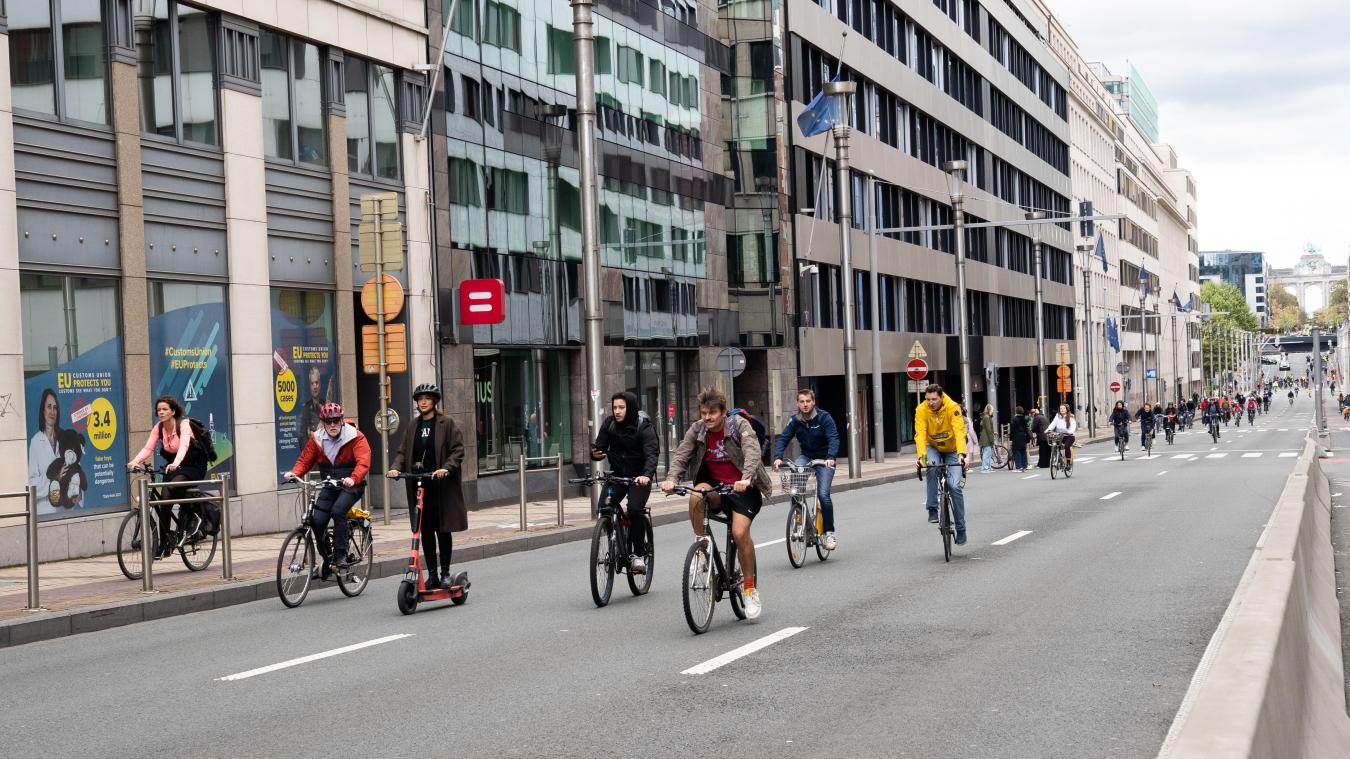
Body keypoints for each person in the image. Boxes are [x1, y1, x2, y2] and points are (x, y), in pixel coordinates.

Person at [663, 387, 771, 620]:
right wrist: (672, 479)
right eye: (703, 413)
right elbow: (682, 454)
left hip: (743, 487)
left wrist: (746, 477)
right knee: (696, 495)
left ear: (723, 412)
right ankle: (702, 547)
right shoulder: (698, 429)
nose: (707, 418)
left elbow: (752, 452)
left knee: (740, 533)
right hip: (715, 487)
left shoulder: (739, 425)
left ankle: (750, 589)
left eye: (712, 413)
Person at [388, 384, 468, 589]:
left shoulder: (446, 423)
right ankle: (432, 574)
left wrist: (445, 468)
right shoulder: (413, 425)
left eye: (427, 398)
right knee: (425, 530)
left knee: (442, 530)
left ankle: (445, 573)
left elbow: (457, 450)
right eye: (420, 399)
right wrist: (395, 468)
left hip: (440, 486)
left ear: (434, 401)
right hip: (420, 485)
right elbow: (403, 452)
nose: (423, 402)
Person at [285, 402, 370, 571]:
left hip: (351, 485)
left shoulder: (355, 436)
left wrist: (353, 479)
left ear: (342, 420)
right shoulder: (316, 438)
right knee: (317, 521)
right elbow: (305, 460)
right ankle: (328, 558)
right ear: (323, 422)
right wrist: (294, 473)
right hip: (330, 485)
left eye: (336, 421)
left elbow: (363, 461)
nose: (332, 425)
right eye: (328, 421)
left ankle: (340, 556)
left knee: (338, 511)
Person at [128, 396, 210, 558]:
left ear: (173, 411)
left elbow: (184, 445)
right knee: (164, 502)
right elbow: (148, 447)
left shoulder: (183, 425)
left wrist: (177, 462)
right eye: (159, 410)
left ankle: (194, 516)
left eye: (165, 409)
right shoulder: (159, 428)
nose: (161, 412)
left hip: (193, 464)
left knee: (173, 486)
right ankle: (164, 544)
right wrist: (135, 461)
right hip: (174, 466)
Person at [590, 390, 659, 574]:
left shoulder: (643, 427)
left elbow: (652, 454)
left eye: (621, 407)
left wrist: (646, 475)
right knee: (604, 508)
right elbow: (599, 448)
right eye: (615, 408)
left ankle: (637, 554)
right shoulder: (609, 424)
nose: (617, 411)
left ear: (630, 408)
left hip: (639, 478)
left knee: (635, 509)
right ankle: (616, 536)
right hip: (618, 476)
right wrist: (595, 453)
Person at [771, 389, 840, 550]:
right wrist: (777, 457)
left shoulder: (824, 418)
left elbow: (833, 438)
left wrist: (831, 457)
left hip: (824, 459)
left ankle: (829, 533)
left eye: (808, 401)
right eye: (801, 402)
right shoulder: (795, 420)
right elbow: (784, 438)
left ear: (813, 402)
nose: (805, 404)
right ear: (797, 403)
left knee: (823, 495)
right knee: (795, 489)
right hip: (807, 456)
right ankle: (799, 518)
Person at [914, 384, 968, 545]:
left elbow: (959, 431)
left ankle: (961, 529)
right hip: (932, 446)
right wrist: (921, 457)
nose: (930, 402)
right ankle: (932, 508)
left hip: (952, 449)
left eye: (934, 399)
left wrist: (961, 455)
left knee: (954, 486)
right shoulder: (921, 410)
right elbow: (920, 434)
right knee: (931, 466)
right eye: (928, 399)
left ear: (941, 397)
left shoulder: (952, 407)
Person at [28, 389, 63, 514]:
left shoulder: (64, 438)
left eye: (55, 407)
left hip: (65, 511)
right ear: (43, 411)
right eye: (49, 407)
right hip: (45, 512)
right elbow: (32, 483)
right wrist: (55, 478)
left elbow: (75, 468)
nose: (52, 412)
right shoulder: (35, 442)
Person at [298, 366, 326, 435]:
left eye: (316, 382)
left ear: (320, 384)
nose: (315, 386)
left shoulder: (326, 405)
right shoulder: (306, 409)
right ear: (309, 386)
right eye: (312, 383)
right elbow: (302, 435)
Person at [1009, 405, 1030, 472]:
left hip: (1016, 437)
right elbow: (1026, 429)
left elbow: (1012, 430)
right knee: (1023, 451)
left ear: (1016, 411)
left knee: (1016, 451)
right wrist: (1027, 438)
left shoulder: (1014, 419)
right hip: (1023, 437)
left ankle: (1019, 467)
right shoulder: (1024, 419)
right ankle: (1024, 466)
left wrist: (1011, 439)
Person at [978, 404, 995, 472]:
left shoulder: (985, 417)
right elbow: (988, 429)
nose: (993, 410)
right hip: (987, 438)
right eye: (992, 409)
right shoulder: (987, 417)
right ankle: (985, 467)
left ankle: (988, 467)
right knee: (987, 453)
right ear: (990, 410)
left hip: (985, 436)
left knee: (988, 453)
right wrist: (992, 440)